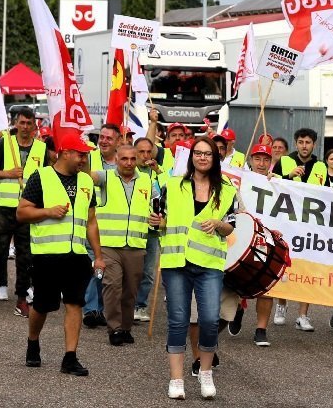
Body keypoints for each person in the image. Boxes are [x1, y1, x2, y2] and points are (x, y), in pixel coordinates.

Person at [149, 137, 237, 400]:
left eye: (208, 154)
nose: (202, 157)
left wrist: (218, 224)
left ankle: (205, 372)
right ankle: (176, 380)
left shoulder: (227, 189)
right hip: (176, 262)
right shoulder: (174, 185)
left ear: (215, 158)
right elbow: (159, 220)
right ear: (191, 157)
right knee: (178, 320)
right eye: (198, 153)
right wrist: (157, 222)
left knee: (209, 320)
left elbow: (231, 226)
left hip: (209, 264)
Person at [18, 133, 104, 376]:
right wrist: (47, 211)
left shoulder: (86, 181)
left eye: (86, 155)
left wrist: (98, 256)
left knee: (75, 303)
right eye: (81, 155)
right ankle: (33, 342)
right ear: (65, 153)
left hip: (77, 255)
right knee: (43, 305)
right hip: (46, 255)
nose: (84, 159)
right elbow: (22, 213)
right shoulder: (41, 177)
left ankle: (70, 357)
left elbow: (91, 221)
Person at [0, 108, 47, 317]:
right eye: (22, 123)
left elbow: (48, 177)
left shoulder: (41, 148)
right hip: (5, 208)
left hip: (27, 210)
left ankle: (21, 298)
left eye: (29, 123)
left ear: (34, 125)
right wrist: (7, 173)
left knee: (25, 256)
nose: (25, 127)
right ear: (16, 124)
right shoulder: (4, 143)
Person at [88, 143, 151, 346]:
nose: (129, 163)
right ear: (116, 160)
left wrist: (157, 219)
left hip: (136, 246)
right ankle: (114, 328)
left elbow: (156, 206)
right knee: (112, 286)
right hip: (109, 246)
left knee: (130, 291)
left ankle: (125, 327)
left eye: (132, 159)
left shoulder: (147, 180)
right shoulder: (105, 177)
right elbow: (87, 176)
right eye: (124, 158)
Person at [227, 144, 278, 347]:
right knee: (238, 280)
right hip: (244, 236)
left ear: (270, 162)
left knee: (267, 285)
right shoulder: (239, 180)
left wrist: (278, 183)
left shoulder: (277, 183)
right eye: (257, 159)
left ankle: (261, 330)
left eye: (266, 159)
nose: (261, 163)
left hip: (268, 239)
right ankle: (239, 309)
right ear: (251, 161)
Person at [276, 128, 327, 331]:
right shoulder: (284, 161)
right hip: (287, 222)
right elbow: (272, 186)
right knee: (284, 265)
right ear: (296, 143)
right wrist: (289, 176)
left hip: (310, 225)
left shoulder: (321, 166)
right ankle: (281, 305)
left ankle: (303, 315)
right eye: (301, 142)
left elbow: (328, 194)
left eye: (308, 142)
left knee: (307, 268)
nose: (304, 146)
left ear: (314, 144)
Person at [83, 124, 122, 328]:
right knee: (95, 266)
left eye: (109, 138)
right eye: (102, 137)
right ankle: (91, 309)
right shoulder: (89, 159)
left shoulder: (125, 162)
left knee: (107, 271)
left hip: (116, 228)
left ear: (118, 141)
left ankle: (102, 307)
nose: (104, 141)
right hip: (92, 224)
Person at [134, 137, 164, 323]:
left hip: (153, 231)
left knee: (148, 272)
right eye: (141, 152)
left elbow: (168, 192)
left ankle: (140, 305)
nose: (145, 155)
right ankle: (127, 304)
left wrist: (159, 171)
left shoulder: (158, 171)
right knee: (131, 270)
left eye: (149, 152)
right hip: (134, 228)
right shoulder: (129, 170)